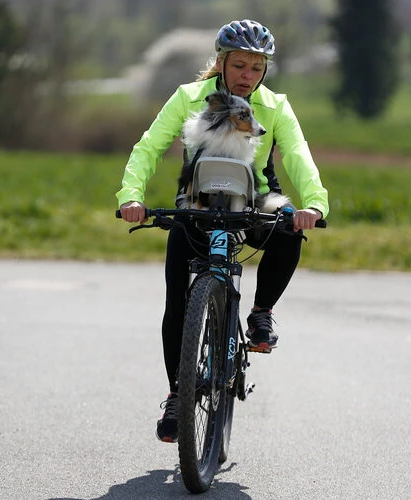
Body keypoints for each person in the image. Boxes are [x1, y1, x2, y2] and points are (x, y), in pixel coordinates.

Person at [116, 19, 329, 443]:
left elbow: (298, 154)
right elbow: (149, 147)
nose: (248, 76)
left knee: (288, 229)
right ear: (221, 62)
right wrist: (131, 196)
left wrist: (314, 204)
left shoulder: (275, 106)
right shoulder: (189, 97)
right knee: (177, 300)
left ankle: (261, 313)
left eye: (257, 67)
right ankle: (178, 394)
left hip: (254, 201)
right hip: (197, 204)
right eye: (239, 66)